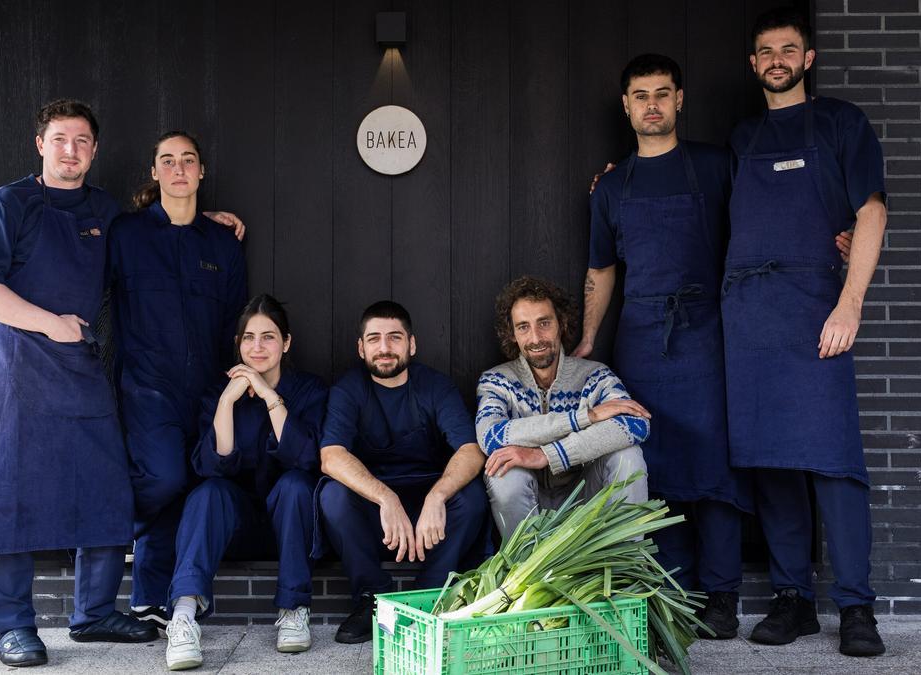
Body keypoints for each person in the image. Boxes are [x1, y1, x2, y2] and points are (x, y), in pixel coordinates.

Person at [0, 99, 158, 667]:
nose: (72, 150)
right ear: (40, 144)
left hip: (80, 364)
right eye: (61, 139)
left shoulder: (105, 210)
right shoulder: (6, 204)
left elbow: (149, 240)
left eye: (83, 141)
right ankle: (14, 626)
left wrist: (203, 221)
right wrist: (51, 323)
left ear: (95, 150)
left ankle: (93, 614)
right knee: (5, 492)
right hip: (13, 365)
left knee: (106, 484)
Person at [724, 7, 887, 657]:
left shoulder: (842, 123)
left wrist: (850, 305)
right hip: (750, 315)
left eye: (788, 49)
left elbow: (871, 213)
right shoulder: (742, 138)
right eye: (765, 51)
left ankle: (856, 606)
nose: (776, 60)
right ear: (754, 63)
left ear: (808, 58)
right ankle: (793, 600)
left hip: (817, 308)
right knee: (772, 465)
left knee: (834, 461)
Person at [573, 54, 751, 640]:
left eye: (662, 93)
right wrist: (589, 341)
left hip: (709, 333)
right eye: (640, 95)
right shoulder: (612, 186)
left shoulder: (715, 165)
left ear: (680, 100)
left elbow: (759, 225)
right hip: (643, 340)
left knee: (715, 465)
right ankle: (674, 592)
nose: (652, 104)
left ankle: (721, 597)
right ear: (626, 106)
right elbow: (601, 271)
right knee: (656, 465)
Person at [107, 131, 250, 633]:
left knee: (197, 483)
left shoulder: (222, 245)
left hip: (209, 389)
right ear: (155, 173)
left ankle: (160, 600)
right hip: (147, 386)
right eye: (167, 160)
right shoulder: (125, 233)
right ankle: (128, 565)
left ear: (202, 171)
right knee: (164, 478)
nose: (179, 168)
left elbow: (236, 319)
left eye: (188, 159)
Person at [161, 295, 327, 669]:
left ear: (286, 343)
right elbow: (213, 466)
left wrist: (269, 396)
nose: (257, 347)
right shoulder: (218, 394)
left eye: (268, 337)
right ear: (237, 344)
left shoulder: (310, 391)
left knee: (297, 483)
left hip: (295, 526)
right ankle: (184, 616)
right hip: (237, 527)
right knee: (208, 492)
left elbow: (305, 456)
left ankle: (293, 608)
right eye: (248, 337)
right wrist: (226, 404)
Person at [315, 301, 489, 644]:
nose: (384, 348)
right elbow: (331, 456)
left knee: (472, 498)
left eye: (395, 338)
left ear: (411, 344)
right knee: (332, 495)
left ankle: (426, 598)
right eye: (374, 338)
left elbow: (471, 450)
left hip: (429, 509)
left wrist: (437, 496)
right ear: (361, 347)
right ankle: (371, 600)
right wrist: (386, 497)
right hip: (375, 511)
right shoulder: (349, 389)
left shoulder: (435, 386)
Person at [477, 276, 650, 538]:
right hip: (528, 504)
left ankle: (622, 571)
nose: (535, 337)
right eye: (523, 327)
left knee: (629, 456)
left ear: (562, 323)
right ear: (512, 334)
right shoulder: (497, 380)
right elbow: (491, 437)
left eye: (544, 323)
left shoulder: (594, 375)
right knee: (503, 471)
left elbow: (635, 425)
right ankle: (527, 571)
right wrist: (586, 417)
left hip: (586, 498)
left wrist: (547, 455)